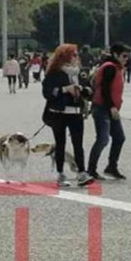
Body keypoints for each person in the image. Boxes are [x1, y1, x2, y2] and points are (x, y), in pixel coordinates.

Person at [42, 44, 95, 188]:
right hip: (58, 113)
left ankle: (82, 173)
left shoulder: (80, 73)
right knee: (60, 143)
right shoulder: (54, 73)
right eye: (73, 55)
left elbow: (90, 90)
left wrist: (81, 88)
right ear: (64, 56)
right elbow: (47, 93)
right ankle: (60, 173)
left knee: (78, 144)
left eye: (76, 55)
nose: (76, 57)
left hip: (76, 112)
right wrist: (65, 89)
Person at [87, 43, 131, 181]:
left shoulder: (116, 67)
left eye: (128, 57)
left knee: (119, 137)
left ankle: (111, 167)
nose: (126, 59)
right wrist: (112, 106)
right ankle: (91, 170)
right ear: (115, 54)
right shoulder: (110, 67)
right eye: (124, 56)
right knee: (103, 139)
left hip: (110, 108)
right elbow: (105, 89)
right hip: (102, 108)